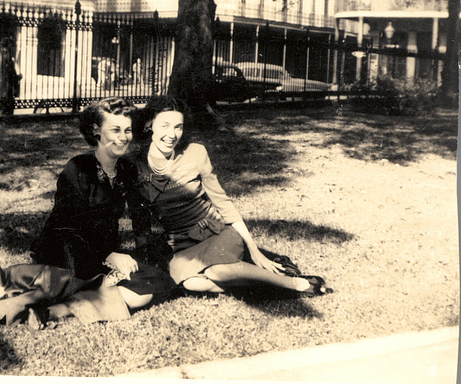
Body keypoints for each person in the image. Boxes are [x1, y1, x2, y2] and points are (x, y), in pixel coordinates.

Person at [0, 97, 175, 330]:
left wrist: (141, 255)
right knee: (91, 285)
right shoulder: (78, 169)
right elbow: (68, 225)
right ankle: (62, 304)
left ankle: (55, 311)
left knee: (151, 285)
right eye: (116, 130)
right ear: (96, 131)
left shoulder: (127, 169)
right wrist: (109, 255)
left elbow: (140, 217)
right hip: (65, 252)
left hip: (102, 256)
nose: (123, 137)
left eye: (128, 130)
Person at [129, 95, 331, 297]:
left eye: (178, 127)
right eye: (164, 126)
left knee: (217, 271)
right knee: (192, 284)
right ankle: (267, 284)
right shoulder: (134, 166)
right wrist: (143, 255)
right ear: (149, 124)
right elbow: (139, 219)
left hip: (217, 232)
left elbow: (223, 203)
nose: (172, 134)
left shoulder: (195, 152)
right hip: (182, 246)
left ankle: (295, 284)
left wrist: (254, 249)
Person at [0, 36, 22, 116]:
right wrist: (19, 76)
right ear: (9, 45)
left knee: (1, 110)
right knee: (8, 111)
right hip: (7, 88)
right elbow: (10, 74)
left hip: (0, 86)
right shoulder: (8, 58)